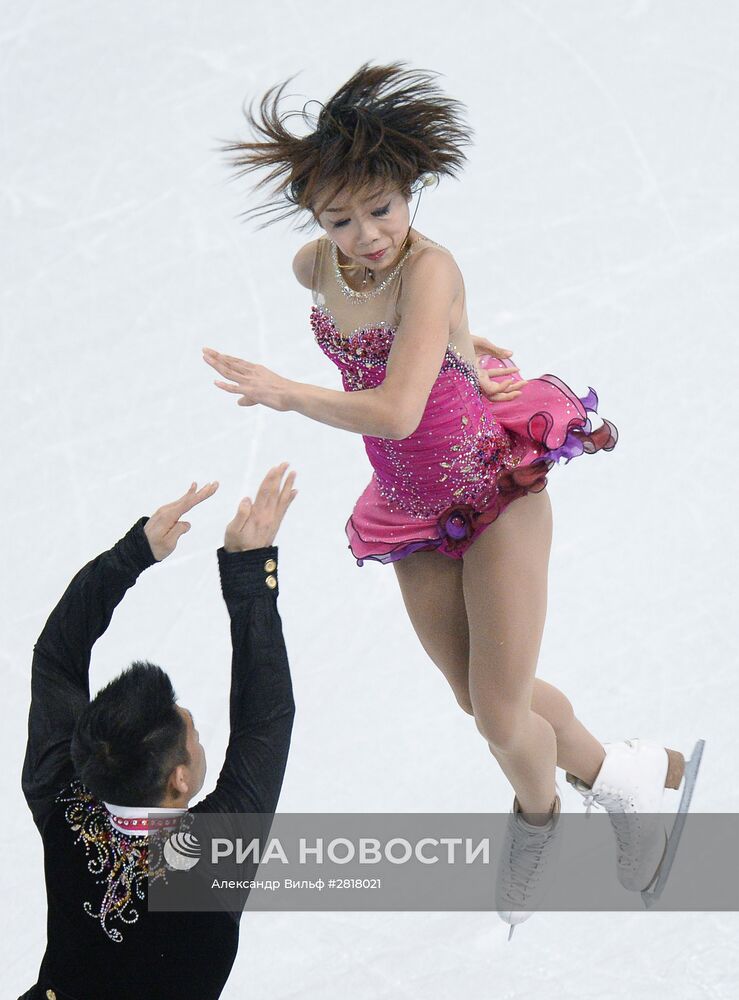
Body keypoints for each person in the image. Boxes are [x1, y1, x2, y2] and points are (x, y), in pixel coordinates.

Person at [203, 62, 703, 934]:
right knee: (479, 698)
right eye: (340, 218)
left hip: (492, 489)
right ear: (314, 221)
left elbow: (397, 409)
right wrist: (469, 349)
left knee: (500, 717)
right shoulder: (309, 267)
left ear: (409, 190)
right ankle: (628, 776)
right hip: (409, 508)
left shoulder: (427, 270)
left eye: (381, 209)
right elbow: (430, 345)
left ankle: (538, 822)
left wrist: (288, 391)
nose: (365, 236)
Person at [20, 464, 297, 999]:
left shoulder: (64, 801)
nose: (194, 724)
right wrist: (247, 572)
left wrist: (134, 554)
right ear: (178, 780)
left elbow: (56, 657)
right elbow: (265, 719)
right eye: (189, 733)